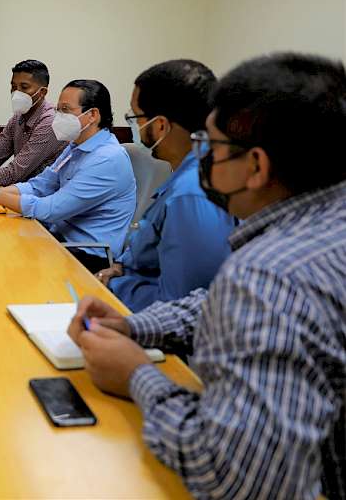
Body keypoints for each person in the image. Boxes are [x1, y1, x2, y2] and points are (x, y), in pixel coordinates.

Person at [68, 53, 346, 500]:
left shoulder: (269, 275)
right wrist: (135, 326)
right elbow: (220, 300)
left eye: (212, 147)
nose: (202, 161)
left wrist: (137, 374)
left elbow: (237, 478)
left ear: (256, 166)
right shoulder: (321, 229)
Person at [96, 60, 236, 312]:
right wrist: (122, 266)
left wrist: (116, 284)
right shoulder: (188, 173)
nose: (135, 126)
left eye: (135, 117)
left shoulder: (192, 194)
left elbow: (180, 305)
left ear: (160, 125)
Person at [0, 79, 136, 273]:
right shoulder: (75, 146)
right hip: (56, 238)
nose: (58, 117)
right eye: (58, 110)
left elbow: (51, 209)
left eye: (65, 110)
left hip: (86, 255)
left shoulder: (107, 159)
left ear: (92, 115)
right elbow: (39, 185)